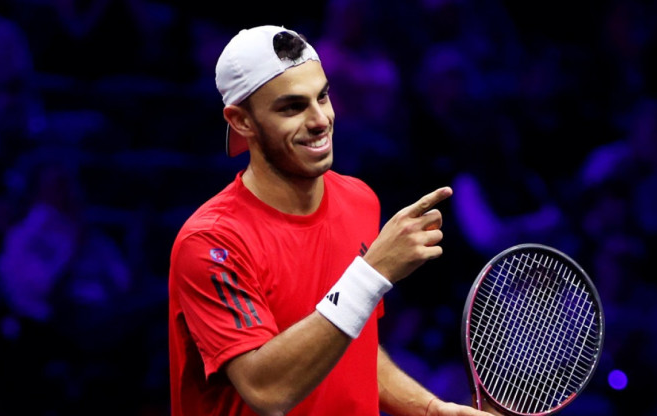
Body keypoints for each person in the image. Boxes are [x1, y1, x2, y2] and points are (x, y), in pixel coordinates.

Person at [168, 25, 497, 416]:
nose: (320, 119)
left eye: (322, 96)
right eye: (292, 107)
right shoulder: (211, 243)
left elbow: (347, 341)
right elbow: (267, 389)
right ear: (241, 122)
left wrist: (429, 409)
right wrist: (373, 273)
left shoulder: (359, 200)